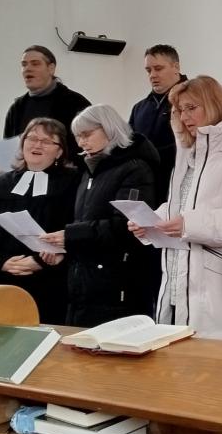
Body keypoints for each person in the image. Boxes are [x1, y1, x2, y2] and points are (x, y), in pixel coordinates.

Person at [129, 76, 222, 341]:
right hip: (180, 280)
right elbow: (186, 202)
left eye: (191, 108)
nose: (184, 117)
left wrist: (188, 224)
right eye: (179, 110)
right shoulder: (190, 151)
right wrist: (154, 221)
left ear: (213, 104)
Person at [40, 105, 161, 327]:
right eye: (78, 137)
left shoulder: (135, 169)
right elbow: (87, 223)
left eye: (87, 134)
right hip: (84, 283)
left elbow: (125, 226)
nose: (81, 143)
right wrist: (66, 250)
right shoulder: (90, 171)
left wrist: (69, 236)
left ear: (109, 128)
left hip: (118, 286)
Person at [0, 118, 80, 324]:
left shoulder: (73, 183)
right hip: (3, 275)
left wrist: (39, 262)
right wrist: (0, 262)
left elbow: (74, 226)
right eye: (31, 138)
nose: (37, 145)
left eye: (46, 141)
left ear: (59, 151)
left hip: (49, 279)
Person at [3, 45, 91, 163]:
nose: (27, 69)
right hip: (25, 173)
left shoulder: (75, 102)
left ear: (51, 68)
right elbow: (7, 153)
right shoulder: (17, 108)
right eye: (24, 64)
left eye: (35, 64)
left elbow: (90, 145)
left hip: (67, 172)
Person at [128, 45, 187, 192]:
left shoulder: (193, 101)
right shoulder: (139, 108)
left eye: (158, 68)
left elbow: (194, 143)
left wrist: (150, 156)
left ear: (176, 67)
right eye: (148, 70)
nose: (152, 75)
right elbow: (129, 145)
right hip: (145, 186)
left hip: (180, 184)